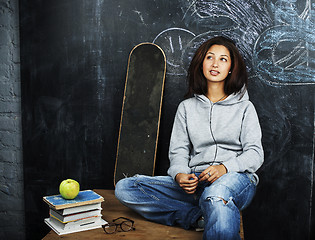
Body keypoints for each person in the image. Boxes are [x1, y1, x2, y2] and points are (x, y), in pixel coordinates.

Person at [115, 36, 264, 240]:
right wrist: (180, 175)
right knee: (126, 188)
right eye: (210, 57)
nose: (215, 64)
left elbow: (255, 154)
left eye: (223, 59)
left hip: (234, 179)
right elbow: (178, 152)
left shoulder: (245, 108)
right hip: (197, 180)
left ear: (231, 68)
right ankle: (197, 217)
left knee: (217, 194)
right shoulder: (187, 108)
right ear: (201, 63)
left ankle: (211, 202)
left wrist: (224, 168)